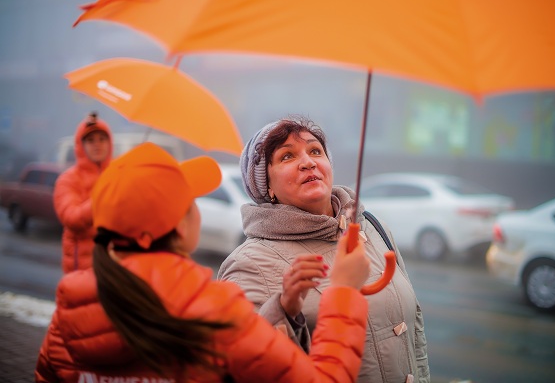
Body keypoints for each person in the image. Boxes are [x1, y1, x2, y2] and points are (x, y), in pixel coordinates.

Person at [35, 142, 371, 382]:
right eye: (190, 200)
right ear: (180, 226)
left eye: (315, 151)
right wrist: (343, 290)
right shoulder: (215, 312)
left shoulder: (70, 313)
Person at [218, 116, 431, 383]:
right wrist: (284, 312)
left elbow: (415, 334)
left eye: (315, 151)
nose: (308, 162)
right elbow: (250, 367)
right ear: (266, 185)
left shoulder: (374, 227)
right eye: (287, 156)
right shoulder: (248, 264)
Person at [53, 111, 113, 273]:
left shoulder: (117, 174)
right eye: (90, 140)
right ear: (80, 145)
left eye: (102, 139)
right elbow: (71, 218)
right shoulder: (68, 179)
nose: (97, 144)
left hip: (115, 265)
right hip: (82, 267)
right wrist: (102, 200)